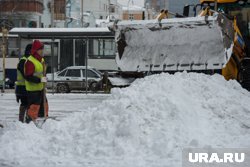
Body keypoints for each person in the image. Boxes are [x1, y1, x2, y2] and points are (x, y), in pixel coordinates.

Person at [24, 40, 48, 123]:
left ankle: (43, 123)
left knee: (44, 107)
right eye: (40, 49)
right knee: (33, 110)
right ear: (36, 50)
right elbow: (28, 77)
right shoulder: (30, 61)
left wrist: (43, 79)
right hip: (33, 91)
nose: (42, 51)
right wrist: (40, 80)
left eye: (42, 49)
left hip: (40, 89)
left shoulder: (41, 60)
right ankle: (30, 125)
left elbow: (42, 72)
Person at [15, 44, 32, 122]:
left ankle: (26, 121)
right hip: (22, 88)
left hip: (25, 87)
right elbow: (25, 74)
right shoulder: (24, 60)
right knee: (25, 104)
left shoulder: (27, 60)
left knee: (28, 104)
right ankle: (22, 122)